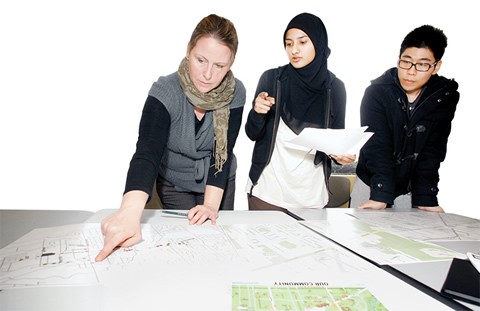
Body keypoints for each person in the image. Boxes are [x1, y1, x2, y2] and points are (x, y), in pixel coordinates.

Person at [95, 14, 246, 261]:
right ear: (188, 51)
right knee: (184, 249)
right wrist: (129, 213)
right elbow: (147, 152)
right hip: (174, 183)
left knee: (216, 247)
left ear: (231, 64)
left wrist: (209, 206)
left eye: (219, 66)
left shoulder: (236, 91)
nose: (208, 74)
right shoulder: (165, 90)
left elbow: (223, 151)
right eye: (201, 60)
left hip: (219, 181)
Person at [244, 12, 355, 211]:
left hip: (311, 197)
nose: (294, 50)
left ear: (318, 43)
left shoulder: (335, 88)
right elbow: (253, 133)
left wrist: (340, 155)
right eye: (288, 43)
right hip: (267, 192)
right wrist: (257, 112)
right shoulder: (271, 79)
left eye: (302, 42)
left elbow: (335, 142)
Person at [354, 25, 459, 212]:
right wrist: (380, 194)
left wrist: (427, 197)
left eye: (422, 64)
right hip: (372, 184)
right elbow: (377, 146)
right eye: (406, 62)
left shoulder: (444, 97)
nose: (411, 71)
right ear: (398, 59)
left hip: (411, 190)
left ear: (436, 67)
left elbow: (433, 151)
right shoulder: (376, 93)